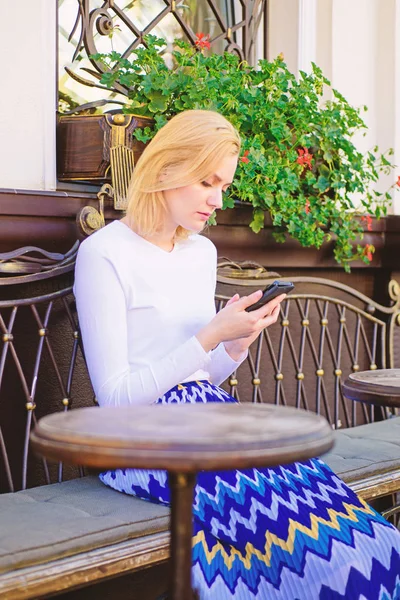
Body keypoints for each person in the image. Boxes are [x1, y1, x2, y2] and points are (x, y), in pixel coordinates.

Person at [74, 109, 400, 599]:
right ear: (166, 169)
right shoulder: (104, 253)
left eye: (223, 184)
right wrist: (206, 338)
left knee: (358, 532)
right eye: (207, 182)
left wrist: (233, 344)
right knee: (290, 539)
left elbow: (201, 373)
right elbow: (116, 400)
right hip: (140, 442)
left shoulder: (200, 253)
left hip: (209, 416)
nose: (218, 200)